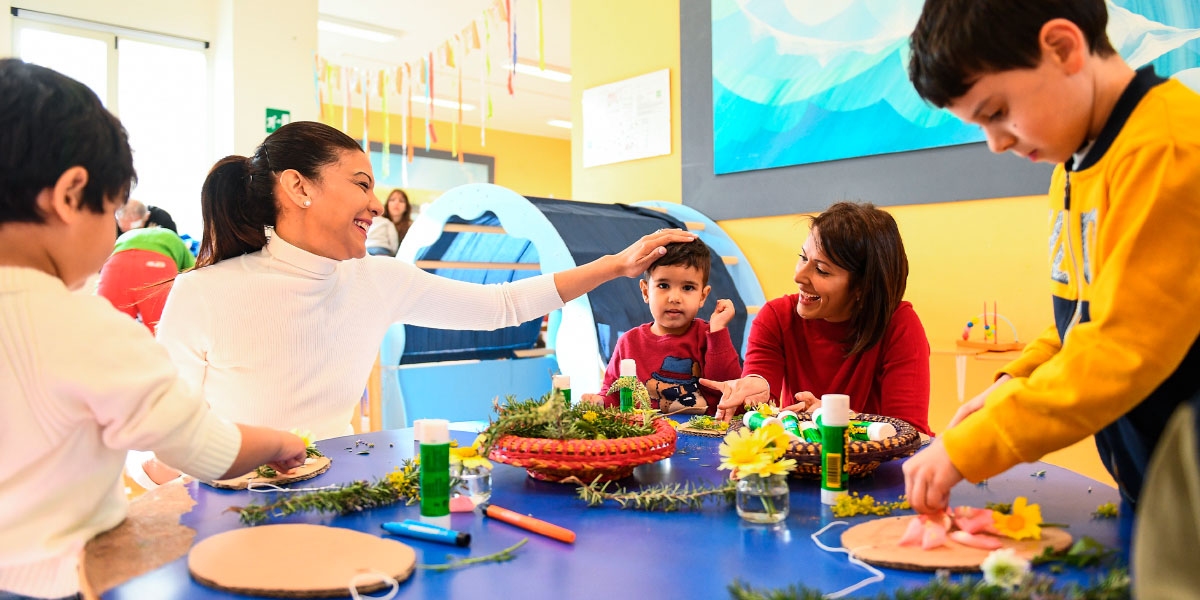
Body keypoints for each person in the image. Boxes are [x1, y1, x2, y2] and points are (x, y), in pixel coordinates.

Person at [154, 120, 695, 443]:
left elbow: (500, 306)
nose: (375, 202)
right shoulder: (202, 294)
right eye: (361, 183)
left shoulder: (376, 279)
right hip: (235, 505)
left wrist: (615, 266)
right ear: (299, 187)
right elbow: (166, 433)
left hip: (339, 492)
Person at [0, 58, 307, 600]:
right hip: (60, 581)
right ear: (72, 194)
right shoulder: (82, 327)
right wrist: (281, 440)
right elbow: (205, 449)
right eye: (115, 210)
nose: (116, 230)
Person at [901, 0, 1200, 515]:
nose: (994, 144)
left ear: (1063, 48)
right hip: (1151, 482)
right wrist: (1018, 380)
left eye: (996, 113)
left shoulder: (1167, 149)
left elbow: (1121, 348)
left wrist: (980, 442)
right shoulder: (1072, 167)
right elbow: (1085, 318)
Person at [701, 202, 932, 436]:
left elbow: (913, 436)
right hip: (800, 462)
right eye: (803, 258)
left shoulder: (900, 326)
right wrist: (755, 386)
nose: (798, 276)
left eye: (821, 270)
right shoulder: (777, 317)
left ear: (863, 287)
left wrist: (842, 419)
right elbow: (761, 399)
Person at [580, 239, 741, 415]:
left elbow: (729, 390)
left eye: (688, 288)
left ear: (703, 296)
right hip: (647, 438)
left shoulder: (710, 336)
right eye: (663, 285)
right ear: (645, 291)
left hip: (702, 438)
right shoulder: (628, 342)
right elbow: (614, 395)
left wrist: (718, 331)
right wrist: (600, 402)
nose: (674, 298)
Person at [97, 226, 194, 333]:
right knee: (162, 331)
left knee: (108, 329)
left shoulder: (126, 236)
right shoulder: (172, 237)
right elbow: (193, 273)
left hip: (117, 264)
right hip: (156, 265)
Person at [365, 188, 412, 256]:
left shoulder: (411, 227)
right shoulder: (379, 221)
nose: (396, 203)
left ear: (406, 207)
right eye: (392, 200)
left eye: (401, 201)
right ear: (387, 204)